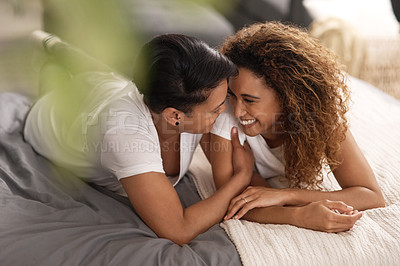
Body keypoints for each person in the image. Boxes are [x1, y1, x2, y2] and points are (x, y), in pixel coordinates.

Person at [24, 34, 254, 245]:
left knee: (102, 76)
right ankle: (53, 61)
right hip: (54, 119)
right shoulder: (127, 136)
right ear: (174, 116)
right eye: (216, 109)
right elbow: (178, 229)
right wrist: (241, 177)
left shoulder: (167, 91)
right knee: (60, 84)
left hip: (108, 87)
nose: (226, 111)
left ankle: (58, 47)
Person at [209, 21, 385, 233]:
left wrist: (287, 194)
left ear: (287, 96)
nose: (237, 111)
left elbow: (371, 196)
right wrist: (299, 215)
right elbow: (231, 202)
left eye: (250, 100)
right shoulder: (226, 115)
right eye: (233, 95)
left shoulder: (321, 119)